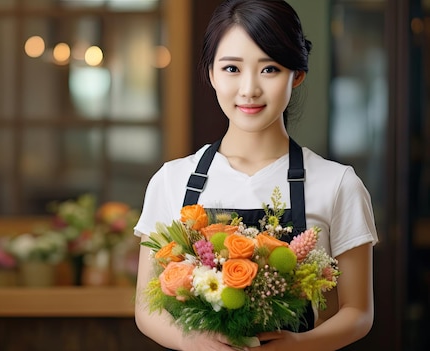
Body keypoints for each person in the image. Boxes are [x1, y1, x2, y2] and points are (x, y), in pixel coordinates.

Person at [133, 1, 379, 350]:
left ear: (297, 74)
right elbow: (146, 307)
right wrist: (196, 345)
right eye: (232, 68)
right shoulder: (172, 180)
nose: (249, 89)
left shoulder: (339, 184)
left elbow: (358, 312)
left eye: (270, 69)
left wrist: (296, 346)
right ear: (211, 73)